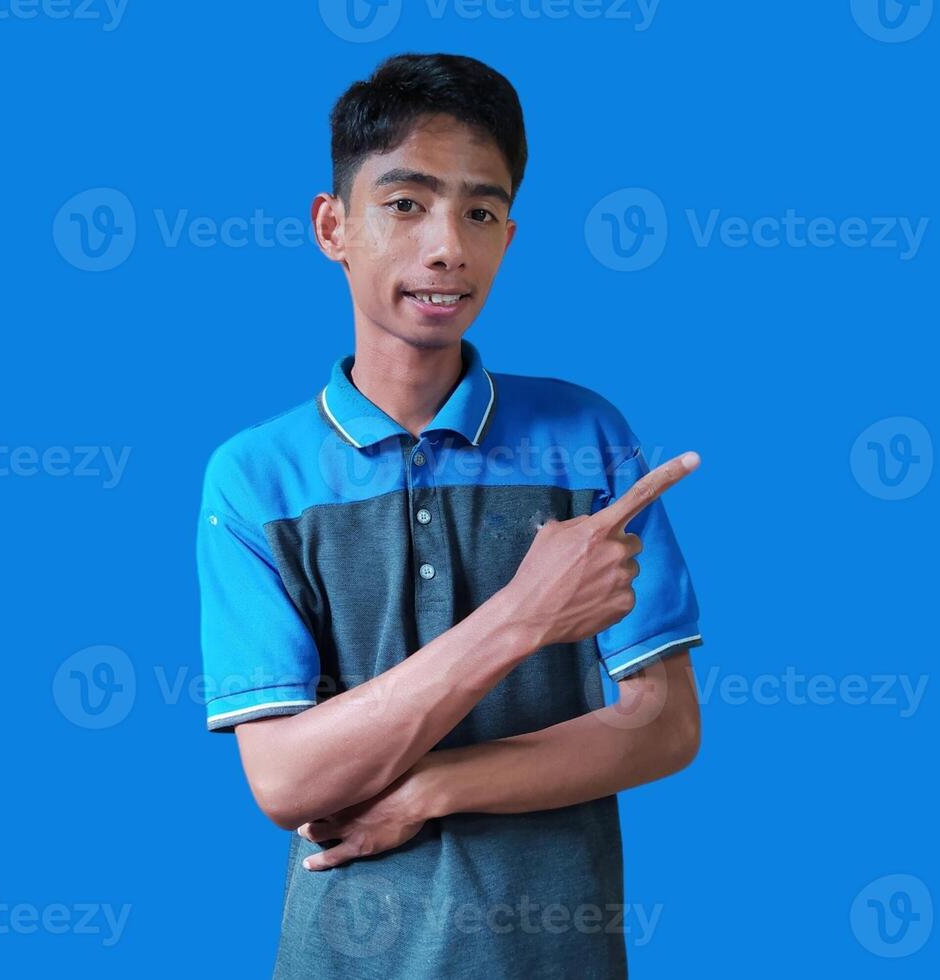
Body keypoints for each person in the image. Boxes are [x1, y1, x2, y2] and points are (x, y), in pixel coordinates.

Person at [196, 51, 704, 980]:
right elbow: (285, 780)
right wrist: (522, 619)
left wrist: (432, 788)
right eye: (405, 204)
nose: (447, 247)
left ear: (509, 235)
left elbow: (665, 724)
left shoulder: (587, 437)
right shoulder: (253, 480)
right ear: (331, 226)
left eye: (479, 211)